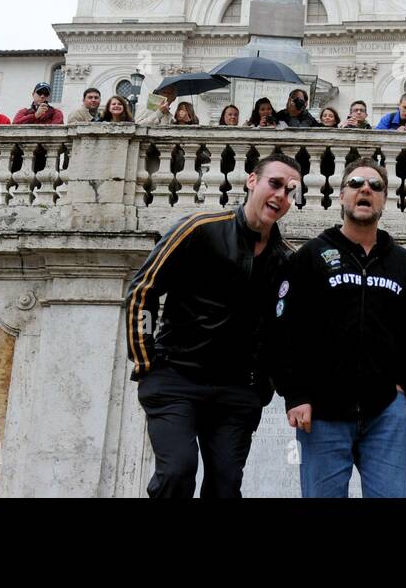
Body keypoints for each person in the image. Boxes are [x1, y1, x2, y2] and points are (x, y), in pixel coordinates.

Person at [124, 152, 302, 498]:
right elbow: (143, 291)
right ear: (253, 181)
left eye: (290, 190)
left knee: (225, 486)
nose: (281, 195)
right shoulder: (198, 229)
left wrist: (264, 386)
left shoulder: (286, 259)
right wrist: (146, 360)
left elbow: (285, 332)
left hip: (237, 392)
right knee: (177, 471)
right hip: (176, 378)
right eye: (275, 184)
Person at [271, 158, 406, 498]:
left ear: (384, 200)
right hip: (322, 413)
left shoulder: (403, 263)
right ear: (342, 195)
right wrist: (296, 395)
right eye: (356, 183)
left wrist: (404, 385)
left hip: (385, 413)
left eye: (375, 186)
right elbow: (285, 333)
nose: (365, 190)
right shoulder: (310, 257)